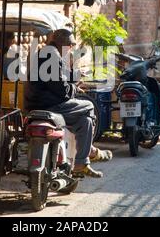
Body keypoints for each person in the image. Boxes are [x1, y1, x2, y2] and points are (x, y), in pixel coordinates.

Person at [24, 29, 111, 178]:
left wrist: (75, 76)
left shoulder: (48, 53)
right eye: (70, 46)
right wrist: (75, 89)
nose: (70, 50)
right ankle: (87, 152)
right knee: (88, 106)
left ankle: (81, 162)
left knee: (85, 121)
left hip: (40, 102)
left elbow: (59, 76)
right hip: (47, 105)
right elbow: (61, 89)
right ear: (64, 45)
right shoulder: (52, 55)